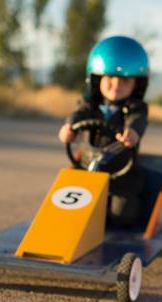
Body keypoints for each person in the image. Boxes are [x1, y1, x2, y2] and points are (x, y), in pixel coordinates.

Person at [58, 35, 149, 227]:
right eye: (109, 78)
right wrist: (69, 127)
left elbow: (137, 121)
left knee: (122, 215)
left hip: (121, 174)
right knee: (69, 206)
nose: (116, 85)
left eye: (125, 80)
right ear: (96, 79)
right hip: (86, 169)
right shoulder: (89, 104)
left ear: (137, 84)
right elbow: (78, 114)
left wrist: (132, 132)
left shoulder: (136, 108)